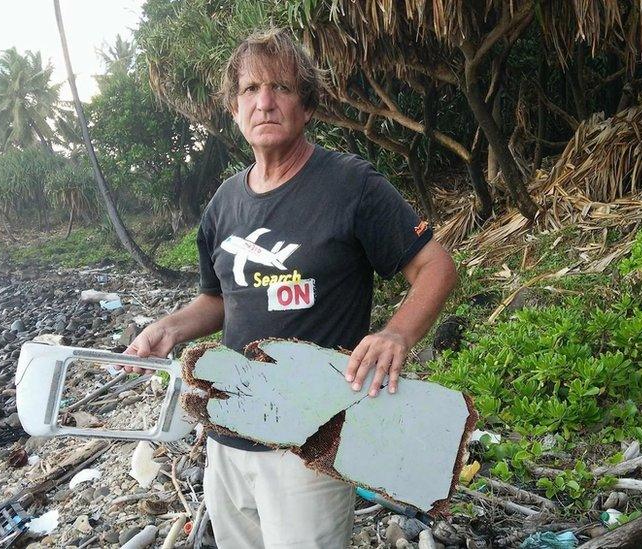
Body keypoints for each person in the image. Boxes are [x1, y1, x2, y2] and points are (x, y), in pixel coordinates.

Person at [122, 28, 457, 549]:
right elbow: (219, 298)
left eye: (281, 87)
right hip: (228, 433)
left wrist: (397, 334)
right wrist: (169, 328)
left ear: (307, 104)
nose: (265, 102)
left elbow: (435, 266)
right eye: (251, 89)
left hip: (310, 440)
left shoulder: (351, 185)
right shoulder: (223, 205)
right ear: (234, 110)